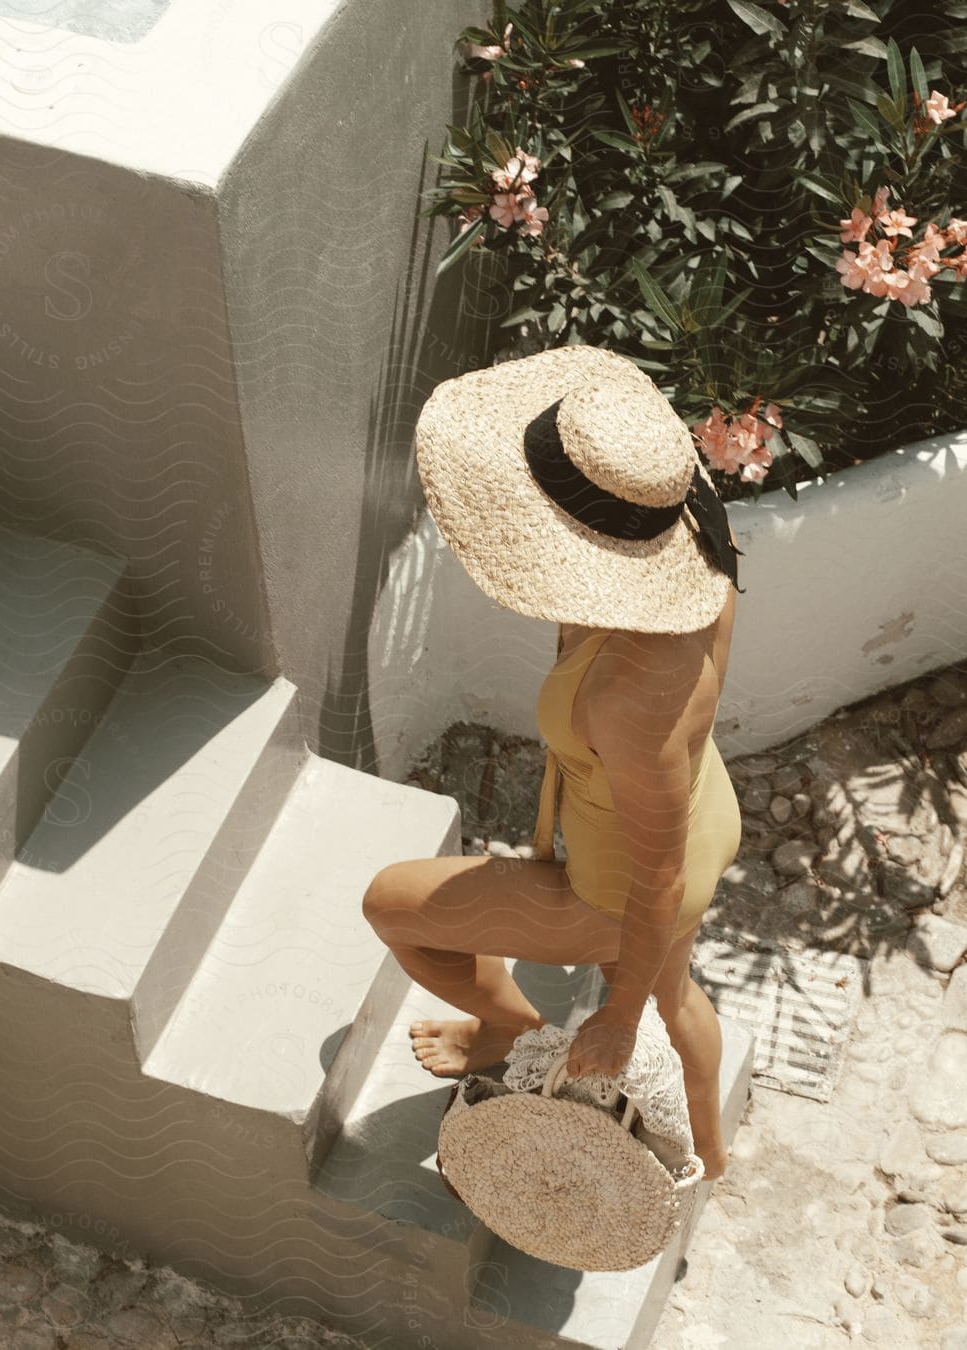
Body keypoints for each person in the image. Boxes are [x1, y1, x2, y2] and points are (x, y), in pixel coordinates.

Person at [361, 344, 747, 1183]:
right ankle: (711, 1153)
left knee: (391, 907)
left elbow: (656, 879)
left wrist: (613, 1011)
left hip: (631, 882)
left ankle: (511, 1027)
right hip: (707, 810)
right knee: (681, 997)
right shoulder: (694, 524)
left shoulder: (629, 700)